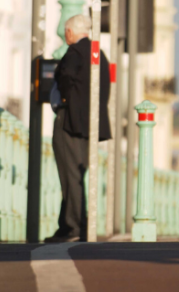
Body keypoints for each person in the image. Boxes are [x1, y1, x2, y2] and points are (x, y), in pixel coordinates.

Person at [45, 15, 111, 243]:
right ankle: (68, 225)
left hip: (70, 122)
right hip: (90, 125)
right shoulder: (98, 53)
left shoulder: (73, 52)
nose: (65, 35)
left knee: (69, 174)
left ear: (72, 32)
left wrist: (64, 102)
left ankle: (73, 227)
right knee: (77, 174)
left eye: (66, 30)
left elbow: (66, 77)